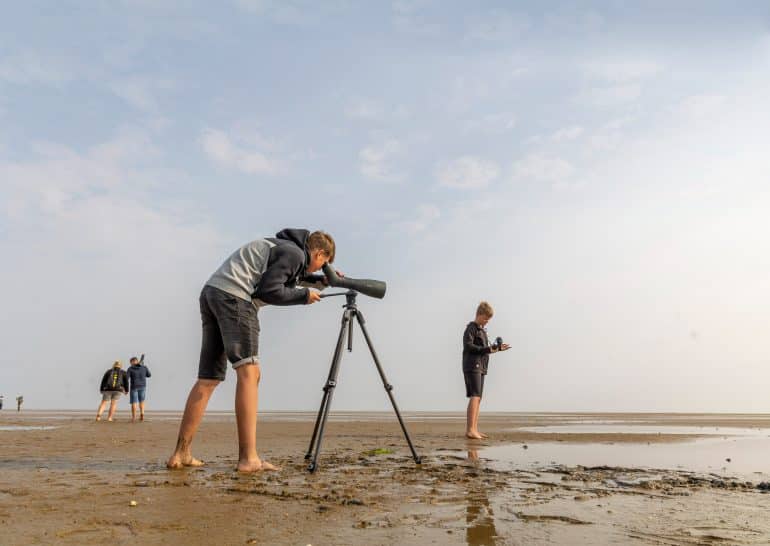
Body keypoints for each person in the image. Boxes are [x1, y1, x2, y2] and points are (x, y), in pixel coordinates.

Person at [167, 228, 336, 473]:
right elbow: (269, 291)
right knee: (250, 373)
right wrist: (303, 296)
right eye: (324, 263)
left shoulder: (282, 247)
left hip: (213, 292)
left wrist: (318, 282)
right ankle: (249, 459)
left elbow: (285, 278)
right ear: (319, 253)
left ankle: (181, 453)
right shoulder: (295, 254)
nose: (321, 267)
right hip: (236, 298)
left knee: (208, 379)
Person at [463, 301, 510, 440]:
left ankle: (474, 429)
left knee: (479, 397)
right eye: (485, 319)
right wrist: (488, 349)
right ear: (479, 314)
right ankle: (470, 430)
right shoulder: (471, 328)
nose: (487, 322)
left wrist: (497, 348)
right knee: (475, 395)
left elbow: (486, 350)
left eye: (488, 320)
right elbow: (468, 347)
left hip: (482, 366)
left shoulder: (482, 331)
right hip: (472, 365)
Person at [127, 355, 152, 422]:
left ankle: (134, 417)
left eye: (130, 362)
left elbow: (126, 378)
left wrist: (125, 388)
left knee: (134, 402)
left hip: (134, 387)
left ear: (132, 362)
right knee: (142, 401)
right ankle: (142, 414)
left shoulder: (130, 368)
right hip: (142, 386)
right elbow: (149, 375)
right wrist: (143, 370)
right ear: (137, 361)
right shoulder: (144, 367)